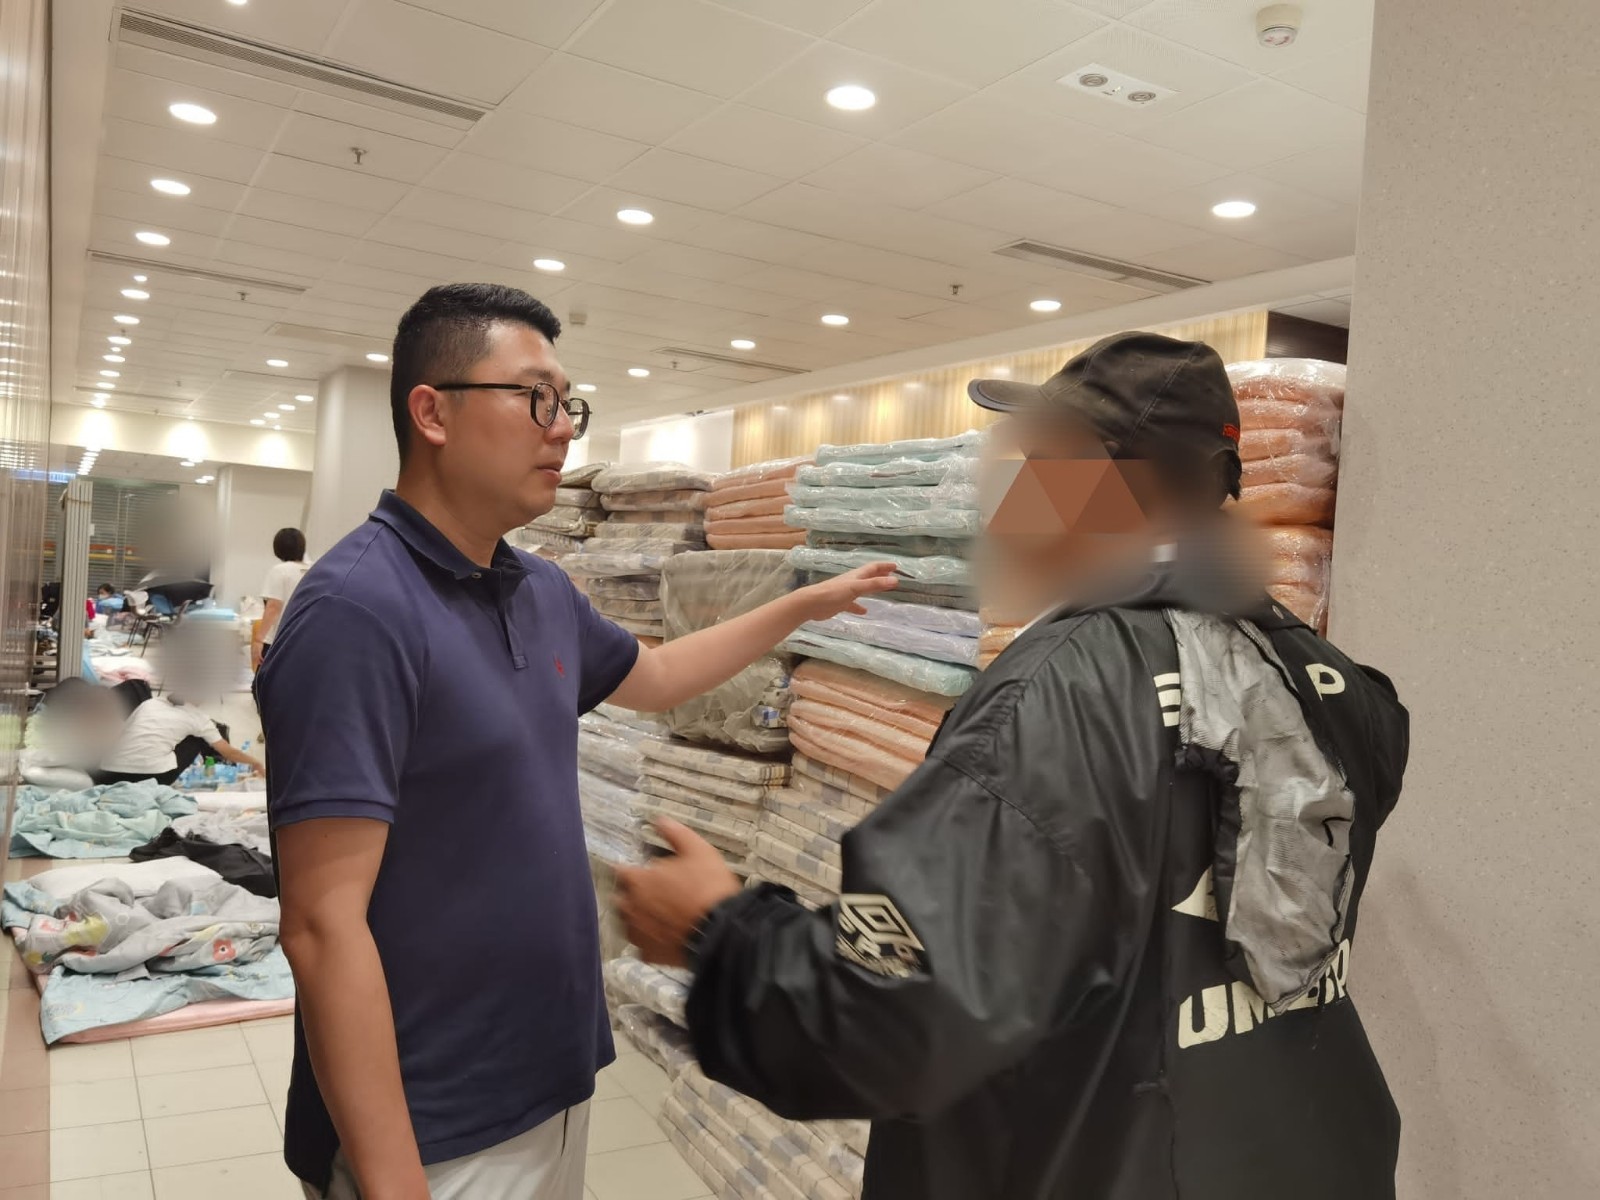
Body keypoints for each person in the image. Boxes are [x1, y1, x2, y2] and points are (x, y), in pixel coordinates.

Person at [616, 332, 1411, 1200]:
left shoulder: (1058, 693)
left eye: (1037, 466)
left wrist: (719, 933)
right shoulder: (1331, 684)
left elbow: (896, 1017)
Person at [254, 282, 895, 1200]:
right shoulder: (357, 609)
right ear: (432, 413)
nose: (563, 430)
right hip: (431, 1121)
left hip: (550, 1077)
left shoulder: (539, 589)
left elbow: (657, 677)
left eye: (568, 404)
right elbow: (321, 927)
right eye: (536, 398)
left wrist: (801, 607)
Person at [94, 694, 263, 786]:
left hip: (108, 775)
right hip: (150, 779)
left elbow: (121, 734)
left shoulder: (149, 703)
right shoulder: (198, 718)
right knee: (197, 738)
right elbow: (228, 752)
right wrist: (256, 764)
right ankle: (209, 769)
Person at [252, 527, 310, 669]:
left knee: (265, 680)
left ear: (278, 548)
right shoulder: (313, 569)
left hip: (278, 641)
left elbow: (274, 607)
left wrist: (258, 639)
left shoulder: (280, 571)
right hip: (305, 640)